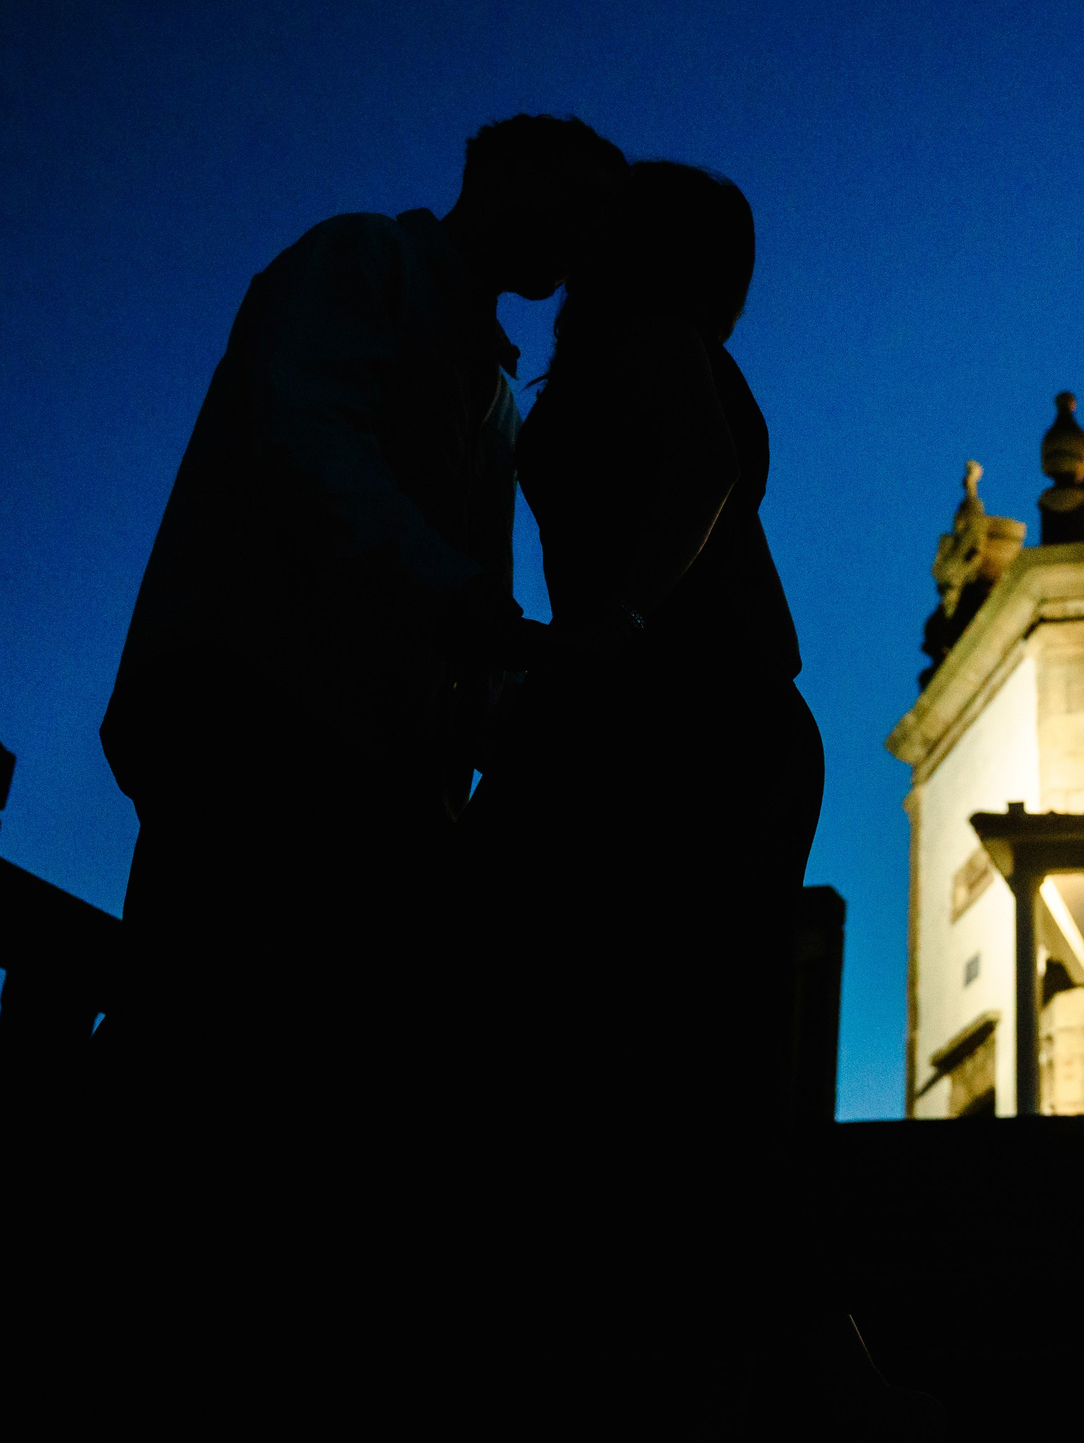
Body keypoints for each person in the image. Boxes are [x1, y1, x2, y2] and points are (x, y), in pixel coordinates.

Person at [91, 113, 626, 1295]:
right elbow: (308, 446)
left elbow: (470, 592)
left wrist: (501, 703)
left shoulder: (494, 389)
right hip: (253, 716)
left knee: (294, 1082)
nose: (586, 243)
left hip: (373, 766)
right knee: (196, 1034)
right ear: (505, 180)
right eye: (576, 209)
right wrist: (473, 624)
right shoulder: (359, 260)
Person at [465, 160, 828, 1398]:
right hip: (700, 716)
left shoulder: (651, 338)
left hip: (687, 716)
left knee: (660, 1042)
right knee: (682, 1043)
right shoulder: (652, 347)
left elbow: (700, 471)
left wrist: (612, 623)